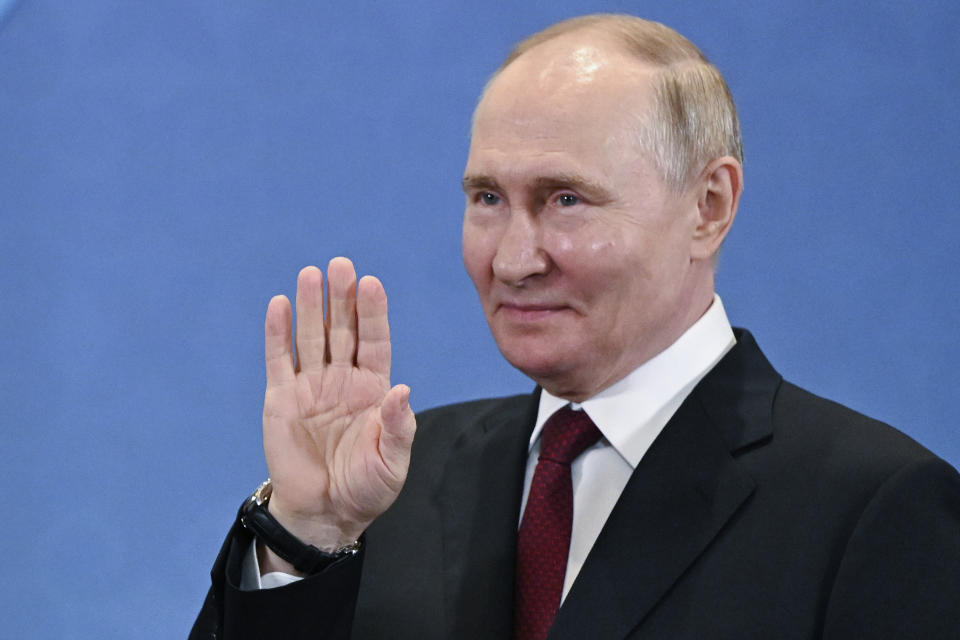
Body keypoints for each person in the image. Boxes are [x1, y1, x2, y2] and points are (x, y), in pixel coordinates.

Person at [191, 14, 960, 640]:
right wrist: (307, 533)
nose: (515, 260)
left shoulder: (875, 511)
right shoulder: (388, 489)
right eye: (488, 198)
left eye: (566, 199)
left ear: (710, 207)